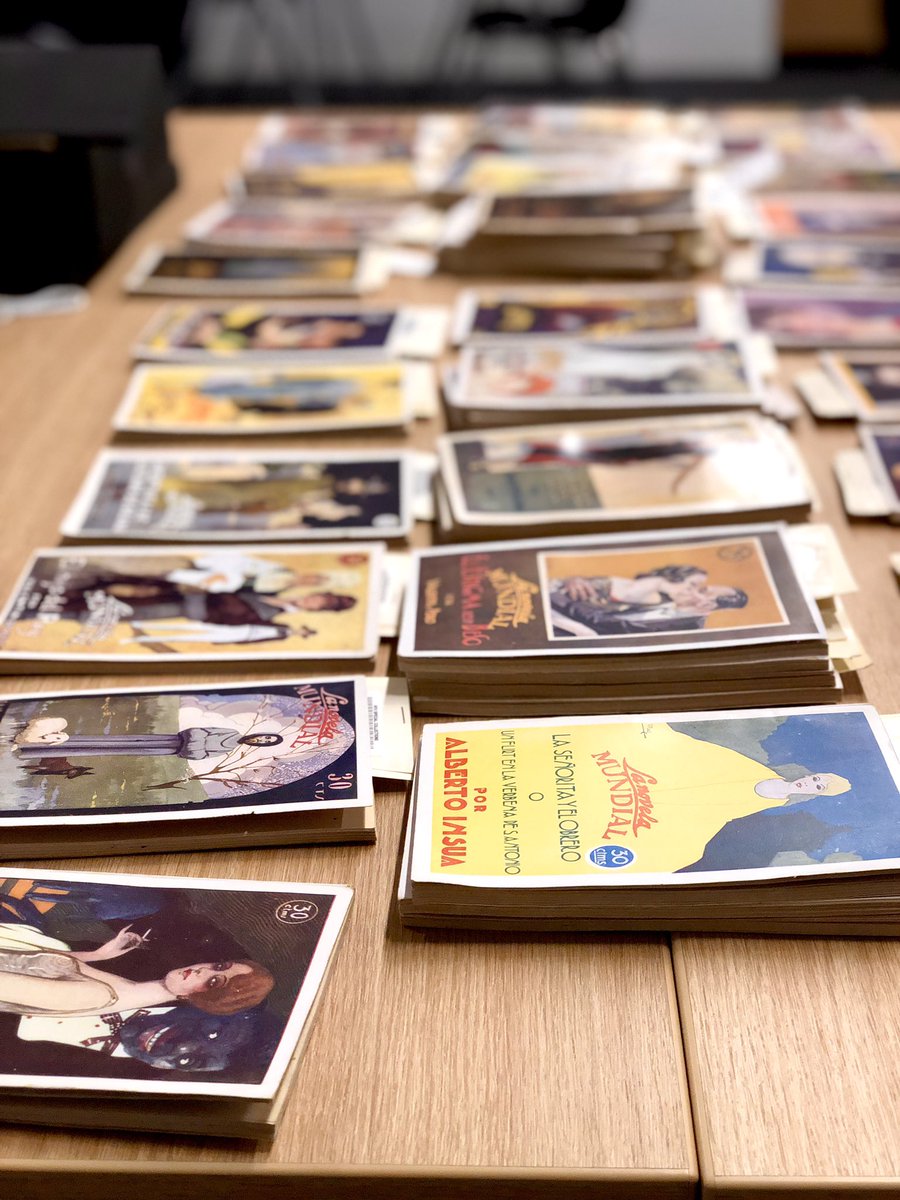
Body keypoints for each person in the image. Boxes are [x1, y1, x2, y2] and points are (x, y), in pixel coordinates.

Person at [0, 923, 274, 1018]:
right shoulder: (125, 987)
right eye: (217, 966)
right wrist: (98, 955)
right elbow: (36, 963)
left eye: (214, 981)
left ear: (200, 999)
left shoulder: (99, 996)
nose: (200, 971)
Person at [549, 563, 747, 636]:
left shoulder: (688, 629)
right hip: (560, 616)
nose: (690, 591)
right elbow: (595, 613)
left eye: (700, 590)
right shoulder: (658, 598)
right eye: (695, 586)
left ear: (708, 605)